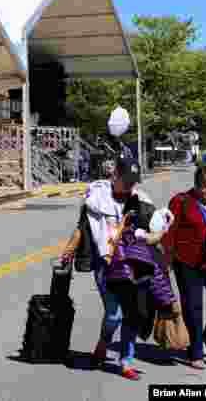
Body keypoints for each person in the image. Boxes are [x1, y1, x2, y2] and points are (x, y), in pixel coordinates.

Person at [60, 159, 152, 380]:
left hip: (133, 263)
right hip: (106, 264)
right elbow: (81, 229)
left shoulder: (142, 202)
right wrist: (68, 251)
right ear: (114, 177)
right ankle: (103, 343)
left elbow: (153, 231)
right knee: (114, 314)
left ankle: (125, 362)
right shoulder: (96, 199)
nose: (130, 186)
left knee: (130, 313)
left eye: (133, 182)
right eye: (126, 181)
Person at [163, 164, 206, 370]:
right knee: (193, 308)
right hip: (187, 263)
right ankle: (195, 352)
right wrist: (165, 260)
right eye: (204, 187)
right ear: (196, 184)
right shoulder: (181, 201)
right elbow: (170, 232)